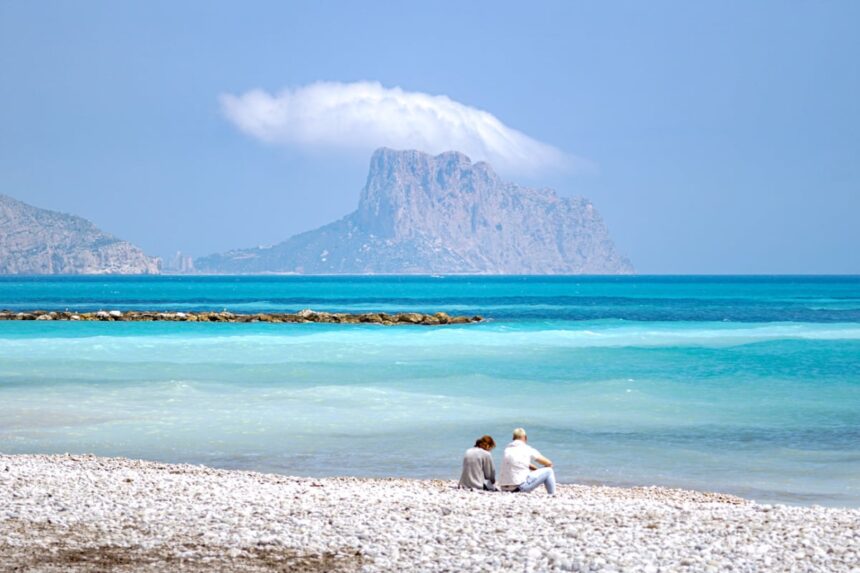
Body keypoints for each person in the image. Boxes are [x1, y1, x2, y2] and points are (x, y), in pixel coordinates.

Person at [498, 427, 556, 494]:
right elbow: (548, 462)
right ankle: (552, 494)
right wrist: (543, 470)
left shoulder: (507, 450)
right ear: (525, 438)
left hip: (504, 488)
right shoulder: (527, 449)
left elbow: (520, 463)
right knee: (549, 471)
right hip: (519, 487)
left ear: (513, 438)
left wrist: (536, 469)